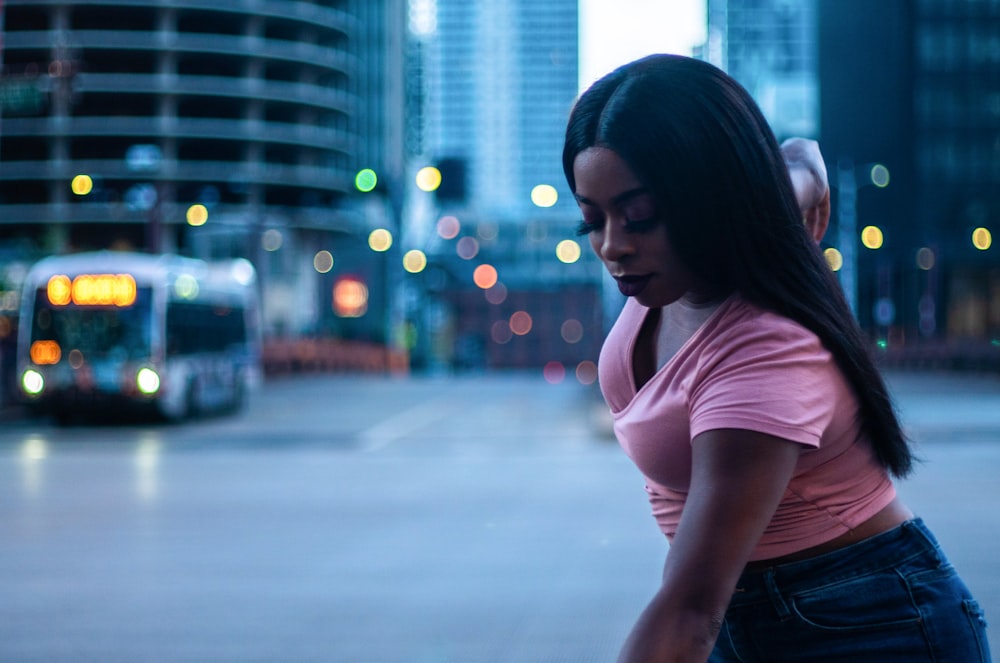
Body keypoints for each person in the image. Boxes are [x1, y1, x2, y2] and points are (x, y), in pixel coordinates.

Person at [563, 54, 991, 663]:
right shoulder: (684, 268)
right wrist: (801, 165)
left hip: (867, 627)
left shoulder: (762, 351)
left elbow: (689, 609)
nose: (613, 246)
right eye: (592, 221)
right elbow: (783, 177)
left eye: (640, 218)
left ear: (711, 200)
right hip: (753, 616)